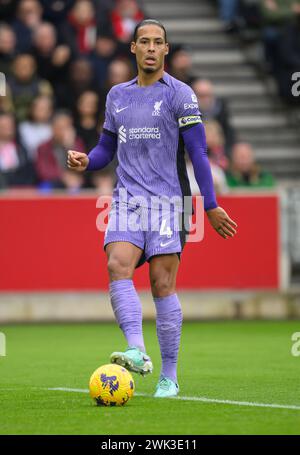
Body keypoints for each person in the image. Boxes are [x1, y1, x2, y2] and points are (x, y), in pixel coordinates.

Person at [67, 19, 237, 398]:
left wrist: (209, 205)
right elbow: (106, 149)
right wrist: (87, 162)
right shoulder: (116, 96)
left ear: (165, 50)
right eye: (143, 41)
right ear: (133, 48)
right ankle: (138, 351)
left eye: (157, 42)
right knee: (117, 265)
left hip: (170, 201)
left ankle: (169, 375)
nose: (149, 48)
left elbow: (198, 152)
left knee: (162, 284)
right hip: (128, 197)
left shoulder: (181, 95)